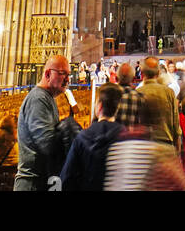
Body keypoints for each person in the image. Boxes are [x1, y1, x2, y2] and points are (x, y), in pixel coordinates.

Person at [14, 55, 76, 191]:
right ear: (48, 74)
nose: (67, 79)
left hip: (41, 182)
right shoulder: (38, 99)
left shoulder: (47, 98)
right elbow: (47, 144)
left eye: (68, 75)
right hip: (31, 183)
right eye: (62, 73)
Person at [62, 84, 123, 191]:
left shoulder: (82, 137)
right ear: (117, 108)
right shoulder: (126, 137)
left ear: (99, 107)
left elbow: (67, 178)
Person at [136, 56, 180, 151]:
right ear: (158, 73)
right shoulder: (169, 92)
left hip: (144, 147)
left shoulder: (137, 92)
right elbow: (176, 126)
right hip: (166, 144)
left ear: (142, 73)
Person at [114, 61, 142, 127]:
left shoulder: (107, 96)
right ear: (133, 79)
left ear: (116, 78)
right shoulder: (141, 98)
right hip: (133, 136)